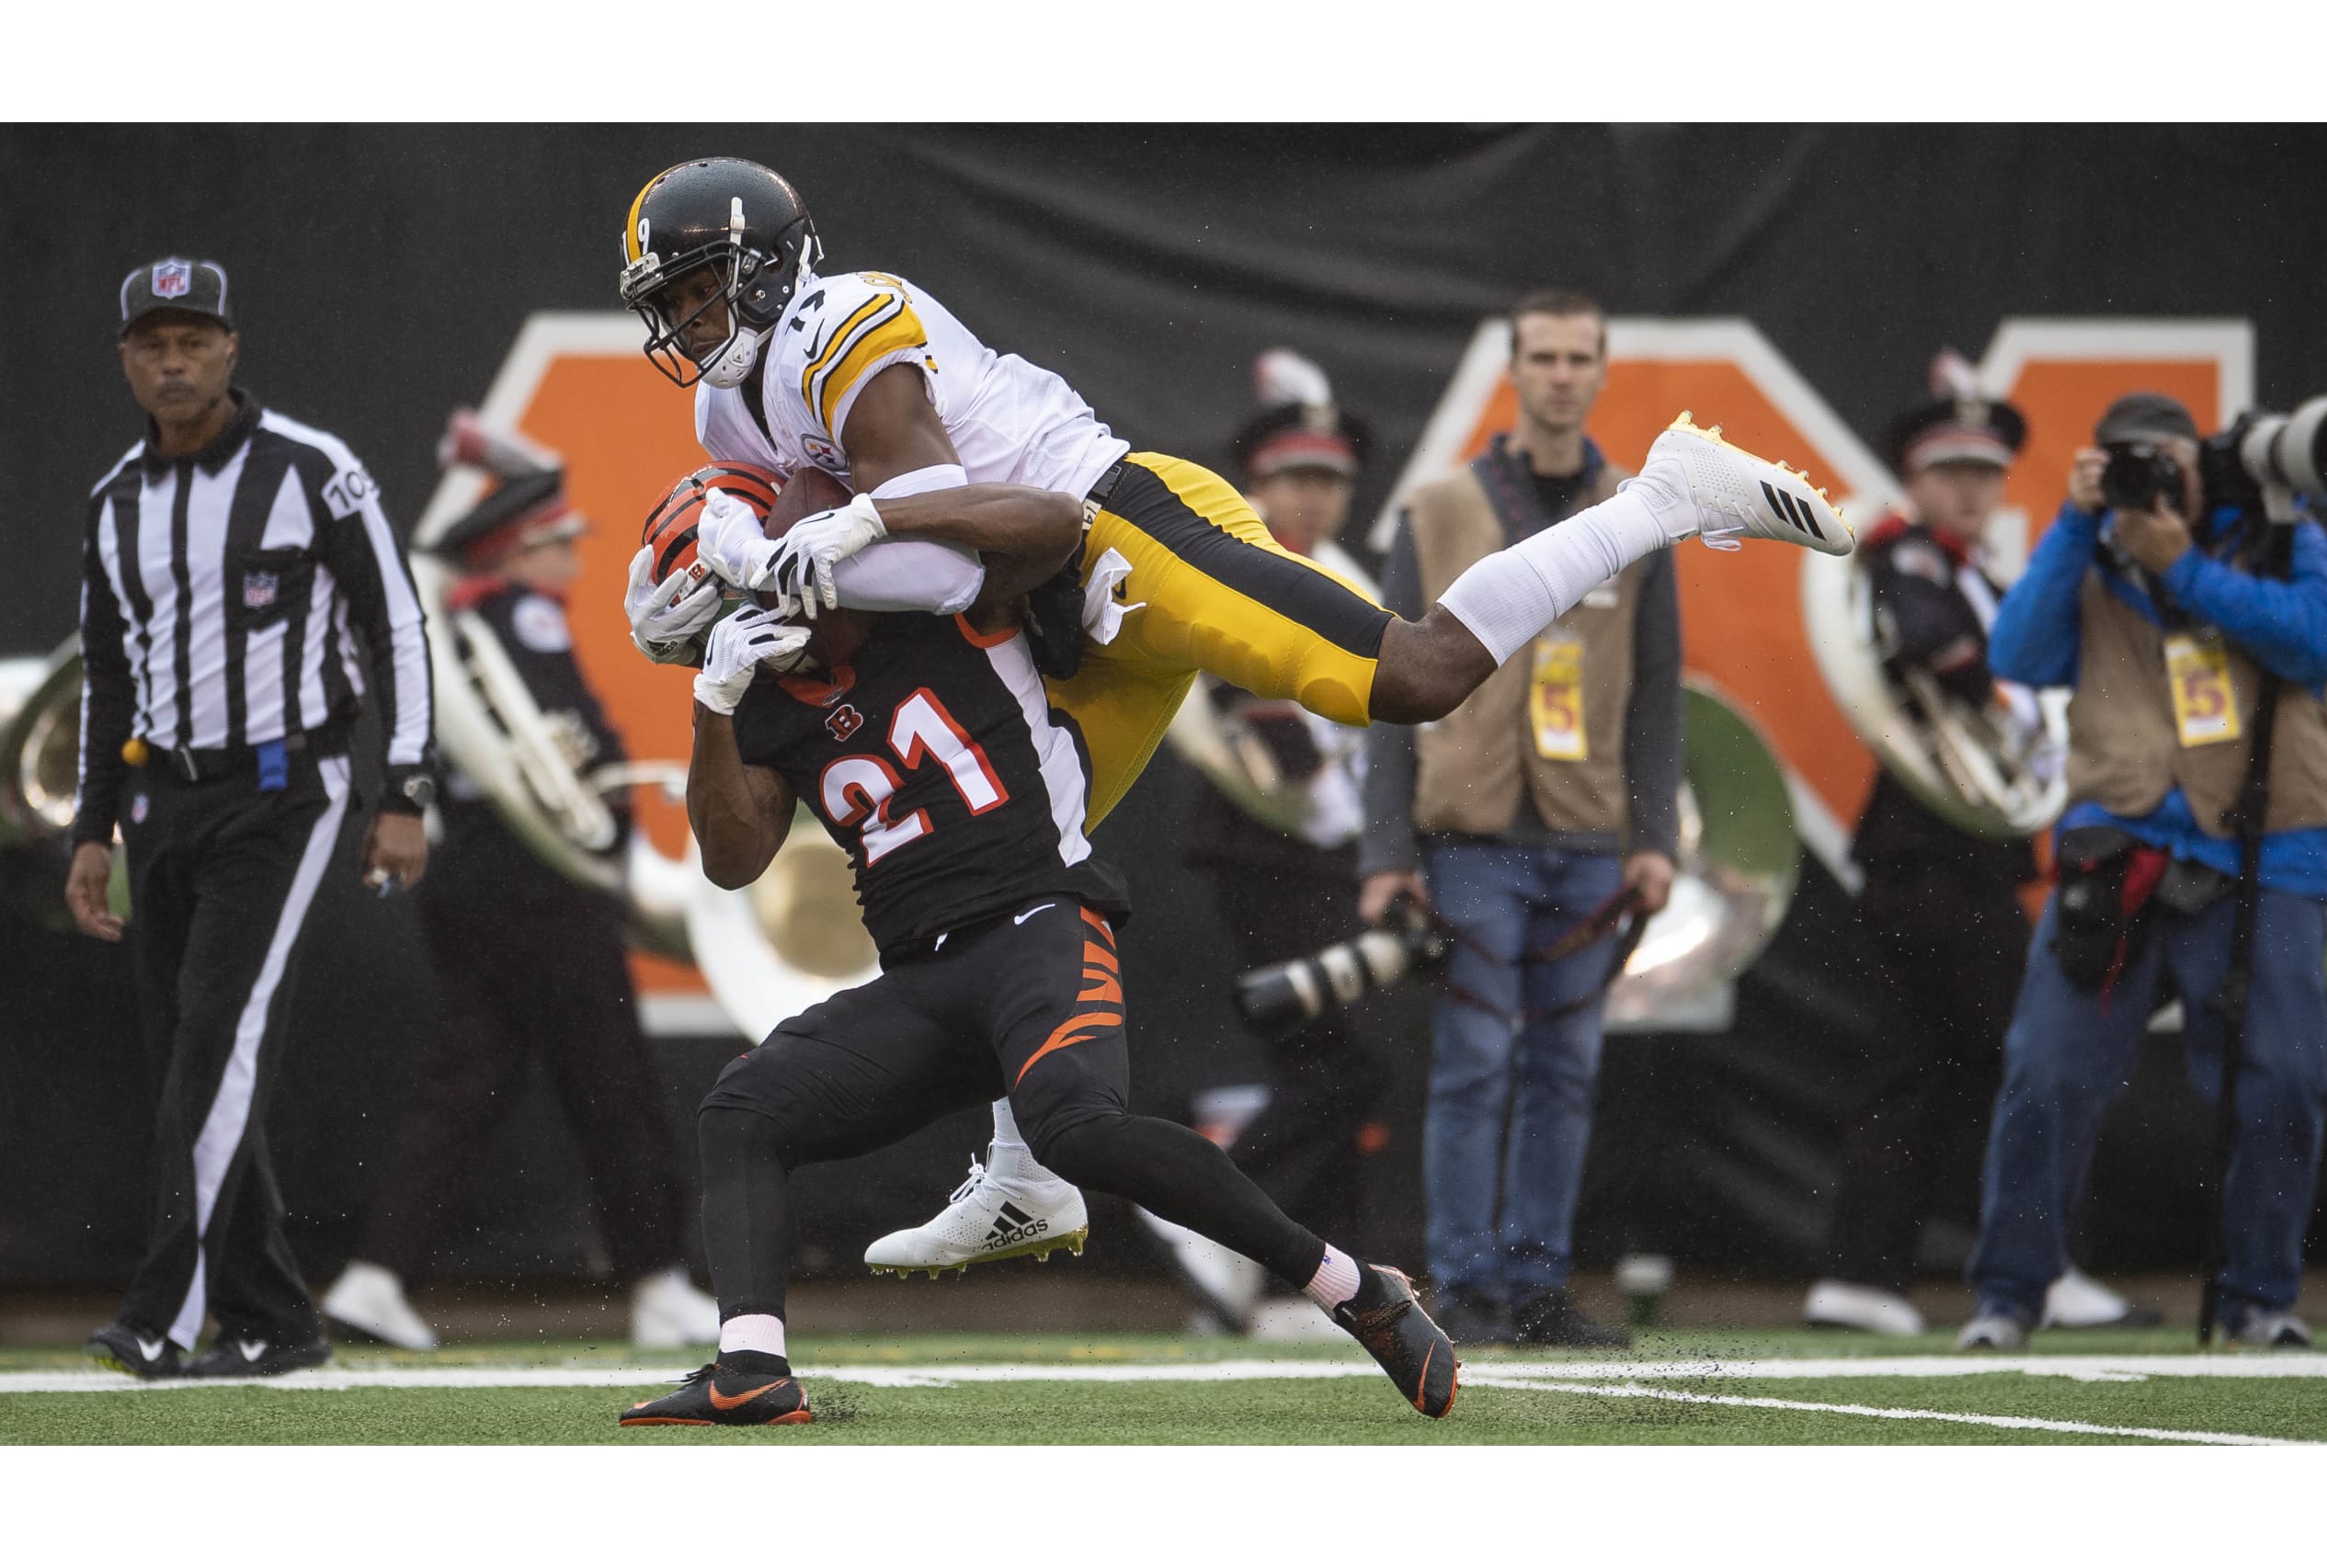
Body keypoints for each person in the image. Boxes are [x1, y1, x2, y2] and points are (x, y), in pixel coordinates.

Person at [614, 156, 1852, 1273]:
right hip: (1047, 615)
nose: (689, 322)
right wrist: (714, 574)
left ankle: (1666, 495)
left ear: (773, 266)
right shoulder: (726, 410)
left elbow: (935, 559)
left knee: (1413, 672)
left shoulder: (842, 324)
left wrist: (792, 560)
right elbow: (798, 534)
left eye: (704, 289)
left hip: (1116, 533)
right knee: (1001, 863)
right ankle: (1029, 1174)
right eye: (671, 302)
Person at [613, 475, 1459, 1426]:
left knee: (1076, 1128)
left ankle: (1355, 1290)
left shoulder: (934, 598)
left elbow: (1056, 525)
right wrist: (715, 703)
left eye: (729, 617)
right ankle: (751, 1367)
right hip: (925, 975)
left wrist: (876, 521)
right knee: (743, 1108)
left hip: (1037, 924)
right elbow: (731, 861)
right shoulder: (762, 706)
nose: (737, 640)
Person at [72, 257, 434, 1381]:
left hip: (285, 789)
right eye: (153, 343)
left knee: (216, 1045)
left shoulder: (313, 470)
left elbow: (397, 627)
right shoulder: (115, 499)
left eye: (195, 340)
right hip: (159, 799)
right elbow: (106, 677)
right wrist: (91, 827)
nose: (174, 362)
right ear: (126, 359)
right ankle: (274, 1317)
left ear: (231, 348)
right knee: (189, 1060)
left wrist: (405, 788)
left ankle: (163, 1310)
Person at [1958, 392, 2327, 1350]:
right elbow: (2018, 653)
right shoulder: (2090, 544)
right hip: (2121, 843)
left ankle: (2261, 1298)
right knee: (2047, 1072)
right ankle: (2009, 1295)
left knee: (2283, 1079)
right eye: (2132, 463)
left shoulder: (2273, 532)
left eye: (2169, 460)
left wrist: (2185, 565)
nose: (2155, 481)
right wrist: (2074, 522)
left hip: (2268, 842)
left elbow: (2323, 640)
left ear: (2203, 461)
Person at [318, 415, 718, 1353]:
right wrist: (613, 834)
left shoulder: (465, 627)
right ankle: (658, 1282)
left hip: (472, 880)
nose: (573, 557)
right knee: (612, 1084)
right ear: (517, 551)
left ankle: (376, 1277)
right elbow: (578, 752)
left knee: (465, 1086)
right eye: (557, 542)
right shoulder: (520, 619)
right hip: (542, 884)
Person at [1352, 290, 1679, 1349]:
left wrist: (1655, 838)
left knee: (1564, 1071)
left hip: (1586, 838)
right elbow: (1386, 686)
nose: (1561, 374)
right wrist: (1386, 850)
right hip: (1471, 836)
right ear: (1514, 368)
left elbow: (1657, 690)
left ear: (1601, 369)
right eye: (1543, 356)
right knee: (1475, 1065)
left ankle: (1538, 1289)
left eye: (1579, 357)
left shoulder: (1641, 511)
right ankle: (1464, 1287)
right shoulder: (1439, 506)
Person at [1805, 369, 2150, 1336]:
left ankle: (1861, 1275)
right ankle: (2043, 1268)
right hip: (1934, 857)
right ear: (1913, 480)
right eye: (1948, 471)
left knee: (1915, 1072)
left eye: (1983, 472)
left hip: (1945, 857)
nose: (1968, 488)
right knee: (2030, 1059)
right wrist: (2015, 701)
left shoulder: (1982, 578)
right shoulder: (1904, 558)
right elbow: (1944, 654)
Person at [1147, 351, 1397, 1331]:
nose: (1315, 495)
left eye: (1331, 479)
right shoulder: (1234, 552)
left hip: (1331, 850)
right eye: (1297, 476)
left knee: (1319, 1060)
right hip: (1267, 845)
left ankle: (1310, 1275)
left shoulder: (1339, 569)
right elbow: (1254, 715)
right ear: (1259, 479)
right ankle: (1207, 1217)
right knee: (1350, 1057)